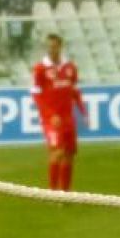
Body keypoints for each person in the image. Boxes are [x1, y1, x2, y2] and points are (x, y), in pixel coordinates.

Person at [32, 33, 86, 192]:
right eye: (49, 47)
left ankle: (65, 193)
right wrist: (50, 114)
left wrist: (83, 111)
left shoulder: (70, 67)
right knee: (58, 152)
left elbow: (74, 90)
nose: (51, 49)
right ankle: (52, 191)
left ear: (60, 47)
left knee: (69, 154)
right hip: (51, 120)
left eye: (54, 46)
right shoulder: (40, 68)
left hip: (68, 118)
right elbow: (36, 96)